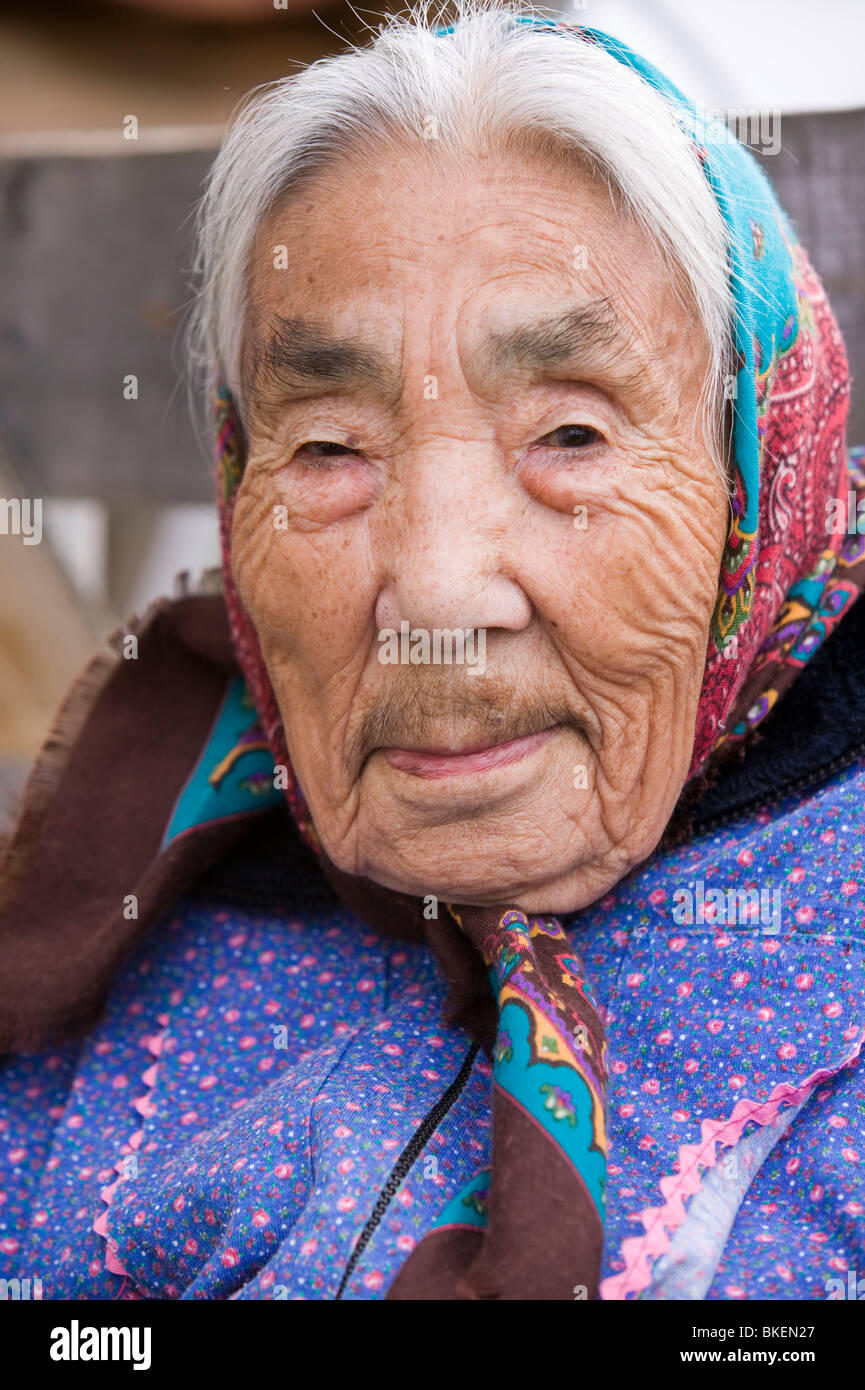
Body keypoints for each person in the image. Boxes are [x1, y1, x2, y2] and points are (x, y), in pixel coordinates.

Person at [0, 1, 862, 1301]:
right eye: (332, 448)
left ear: (757, 487)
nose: (439, 589)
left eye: (569, 438)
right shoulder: (123, 915)